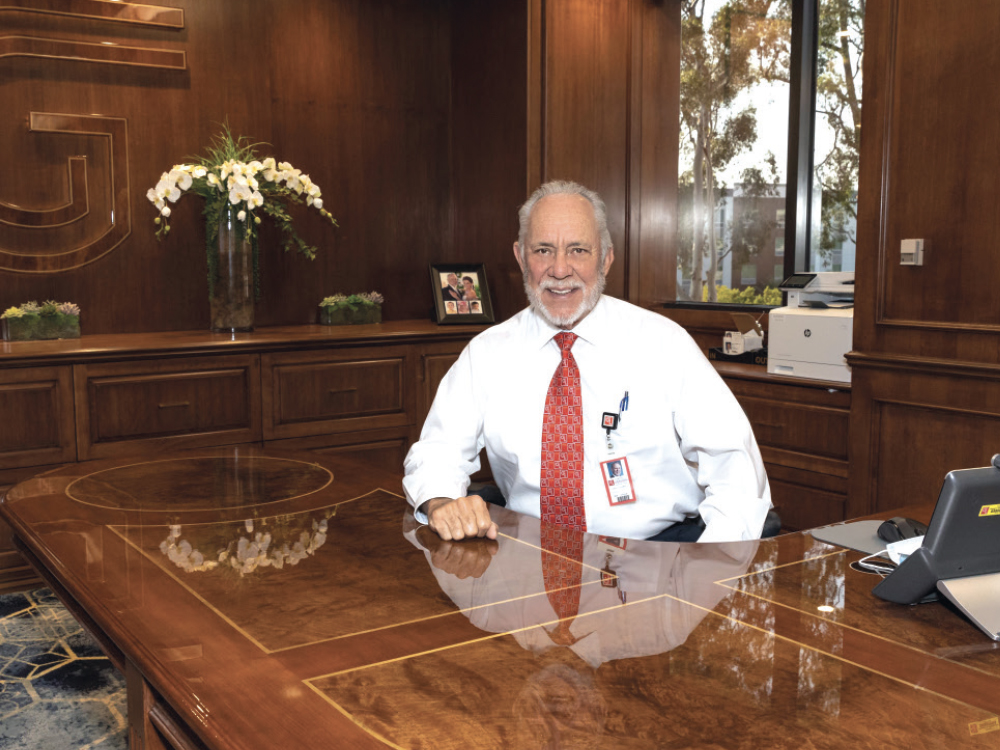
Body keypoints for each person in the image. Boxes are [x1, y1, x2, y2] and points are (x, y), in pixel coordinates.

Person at [403, 180, 770, 543]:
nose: (560, 270)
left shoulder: (664, 344)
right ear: (520, 257)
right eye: (543, 250)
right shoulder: (487, 353)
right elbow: (438, 451)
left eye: (578, 250)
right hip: (526, 557)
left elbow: (735, 470)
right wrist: (441, 502)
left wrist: (704, 571)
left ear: (606, 258)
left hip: (654, 558)